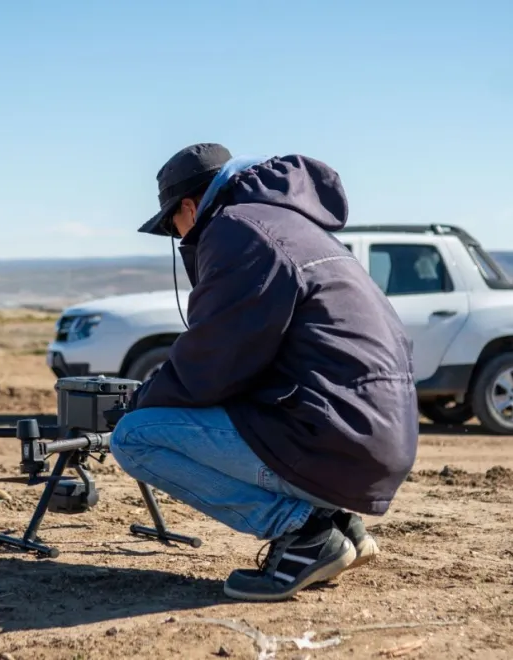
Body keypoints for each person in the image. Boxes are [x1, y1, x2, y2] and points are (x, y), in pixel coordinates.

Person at [110, 143, 419, 602]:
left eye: (173, 226)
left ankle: (304, 535)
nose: (178, 238)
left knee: (134, 436)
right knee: (238, 409)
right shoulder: (291, 223)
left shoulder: (236, 229)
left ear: (189, 207)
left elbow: (215, 361)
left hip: (336, 436)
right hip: (372, 437)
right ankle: (336, 523)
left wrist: (141, 400)